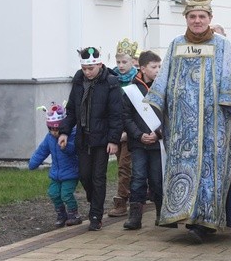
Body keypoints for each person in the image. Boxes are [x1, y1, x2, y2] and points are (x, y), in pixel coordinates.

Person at [144, 0, 231, 243]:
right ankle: (186, 216)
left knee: (210, 174)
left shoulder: (221, 46)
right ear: (186, 19)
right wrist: (157, 114)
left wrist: (230, 110)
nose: (197, 21)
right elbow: (163, 83)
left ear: (210, 18)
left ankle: (205, 222)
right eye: (192, 16)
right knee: (184, 169)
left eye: (202, 16)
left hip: (214, 127)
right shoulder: (176, 45)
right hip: (183, 129)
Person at [59, 47, 123, 231]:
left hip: (102, 139)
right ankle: (94, 198)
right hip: (83, 137)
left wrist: (114, 140)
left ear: (100, 65)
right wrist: (64, 131)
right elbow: (71, 110)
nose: (87, 72)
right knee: (84, 175)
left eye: (91, 68)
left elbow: (116, 114)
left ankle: (96, 215)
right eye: (85, 68)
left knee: (98, 177)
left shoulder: (110, 82)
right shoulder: (79, 81)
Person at [121, 50, 163, 230]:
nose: (158, 70)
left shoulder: (162, 87)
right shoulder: (131, 90)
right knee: (138, 178)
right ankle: (135, 217)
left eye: (159, 66)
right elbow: (126, 116)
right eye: (154, 67)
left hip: (157, 142)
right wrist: (138, 134)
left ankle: (162, 214)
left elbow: (169, 114)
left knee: (157, 179)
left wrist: (159, 133)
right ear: (143, 68)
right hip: (138, 143)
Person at [29, 102, 82, 227]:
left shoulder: (72, 135)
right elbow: (42, 151)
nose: (54, 132)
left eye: (57, 129)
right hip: (56, 173)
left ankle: (74, 214)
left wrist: (65, 146)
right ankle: (61, 214)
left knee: (66, 194)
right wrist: (33, 163)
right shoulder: (49, 138)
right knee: (53, 193)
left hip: (71, 173)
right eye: (51, 129)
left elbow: (74, 150)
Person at [108, 38, 139, 218]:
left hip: (130, 131)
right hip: (116, 129)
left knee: (125, 165)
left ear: (132, 61)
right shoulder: (112, 80)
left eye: (124, 62)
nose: (120, 65)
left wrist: (128, 131)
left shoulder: (136, 80)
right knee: (122, 164)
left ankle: (123, 200)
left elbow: (135, 109)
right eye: (118, 62)